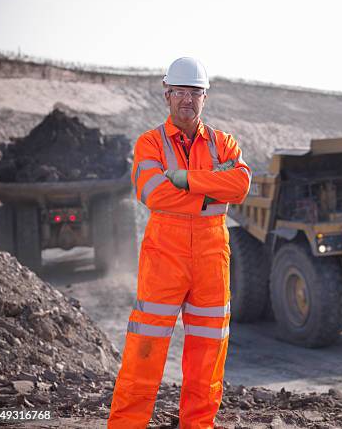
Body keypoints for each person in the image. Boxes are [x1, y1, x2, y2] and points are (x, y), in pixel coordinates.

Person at [108, 57, 251, 429]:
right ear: (167, 94)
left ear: (205, 97)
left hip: (211, 261)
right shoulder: (149, 143)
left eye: (195, 93)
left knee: (207, 362)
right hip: (164, 259)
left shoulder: (224, 143)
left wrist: (187, 179)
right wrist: (211, 189)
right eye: (180, 92)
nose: (187, 100)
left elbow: (241, 185)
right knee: (144, 355)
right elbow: (155, 193)